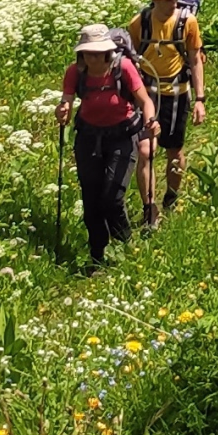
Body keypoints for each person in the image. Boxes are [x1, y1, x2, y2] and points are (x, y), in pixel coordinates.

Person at [57, 23, 156, 267]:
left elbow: (145, 100)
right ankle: (97, 254)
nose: (92, 57)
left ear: (107, 52)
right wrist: (63, 109)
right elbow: (66, 100)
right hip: (88, 137)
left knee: (112, 197)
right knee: (91, 200)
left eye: (97, 52)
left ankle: (125, 248)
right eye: (87, 52)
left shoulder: (123, 68)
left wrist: (151, 120)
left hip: (122, 135)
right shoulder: (75, 73)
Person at [131, 0, 205, 224]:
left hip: (177, 95)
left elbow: (195, 60)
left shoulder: (188, 22)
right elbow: (130, 61)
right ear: (155, 0)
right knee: (145, 151)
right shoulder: (139, 23)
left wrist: (200, 100)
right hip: (147, 96)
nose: (173, 3)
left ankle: (171, 198)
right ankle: (149, 209)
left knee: (174, 150)